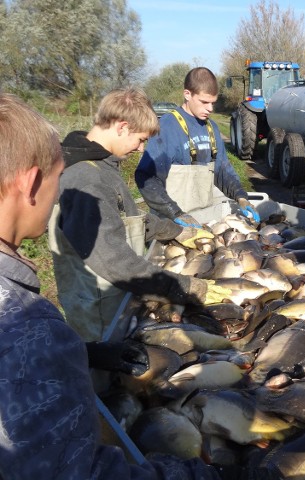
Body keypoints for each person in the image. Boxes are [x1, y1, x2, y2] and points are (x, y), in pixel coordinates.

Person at [0, 92, 230, 479]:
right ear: (32, 182)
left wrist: (87, 353)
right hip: (96, 307)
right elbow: (111, 258)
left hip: (111, 318)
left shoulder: (102, 170)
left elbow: (133, 220)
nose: (59, 191)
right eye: (55, 181)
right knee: (107, 404)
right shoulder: (28, 326)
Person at [49, 87, 231, 342]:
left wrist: (178, 232)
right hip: (98, 312)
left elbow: (127, 219)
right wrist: (184, 288)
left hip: (118, 299)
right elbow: (114, 261)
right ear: (122, 127)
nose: (141, 148)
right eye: (141, 139)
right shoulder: (85, 179)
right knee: (104, 378)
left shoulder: (102, 166)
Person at [135, 66, 259, 227]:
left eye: (213, 103)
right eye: (204, 102)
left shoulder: (211, 128)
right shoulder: (166, 127)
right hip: (171, 221)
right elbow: (146, 177)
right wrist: (175, 213)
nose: (210, 108)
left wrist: (241, 197)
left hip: (203, 218)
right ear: (187, 94)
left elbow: (222, 169)